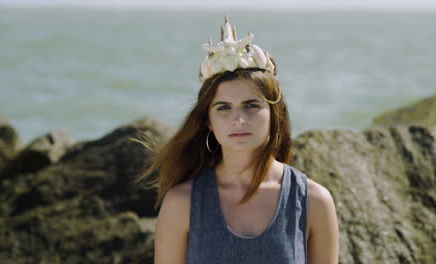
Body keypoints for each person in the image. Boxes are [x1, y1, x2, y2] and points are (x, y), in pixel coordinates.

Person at [135, 15, 338, 264]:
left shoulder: (313, 201)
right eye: (223, 108)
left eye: (251, 105)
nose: (238, 119)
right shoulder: (181, 203)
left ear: (275, 114)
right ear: (208, 121)